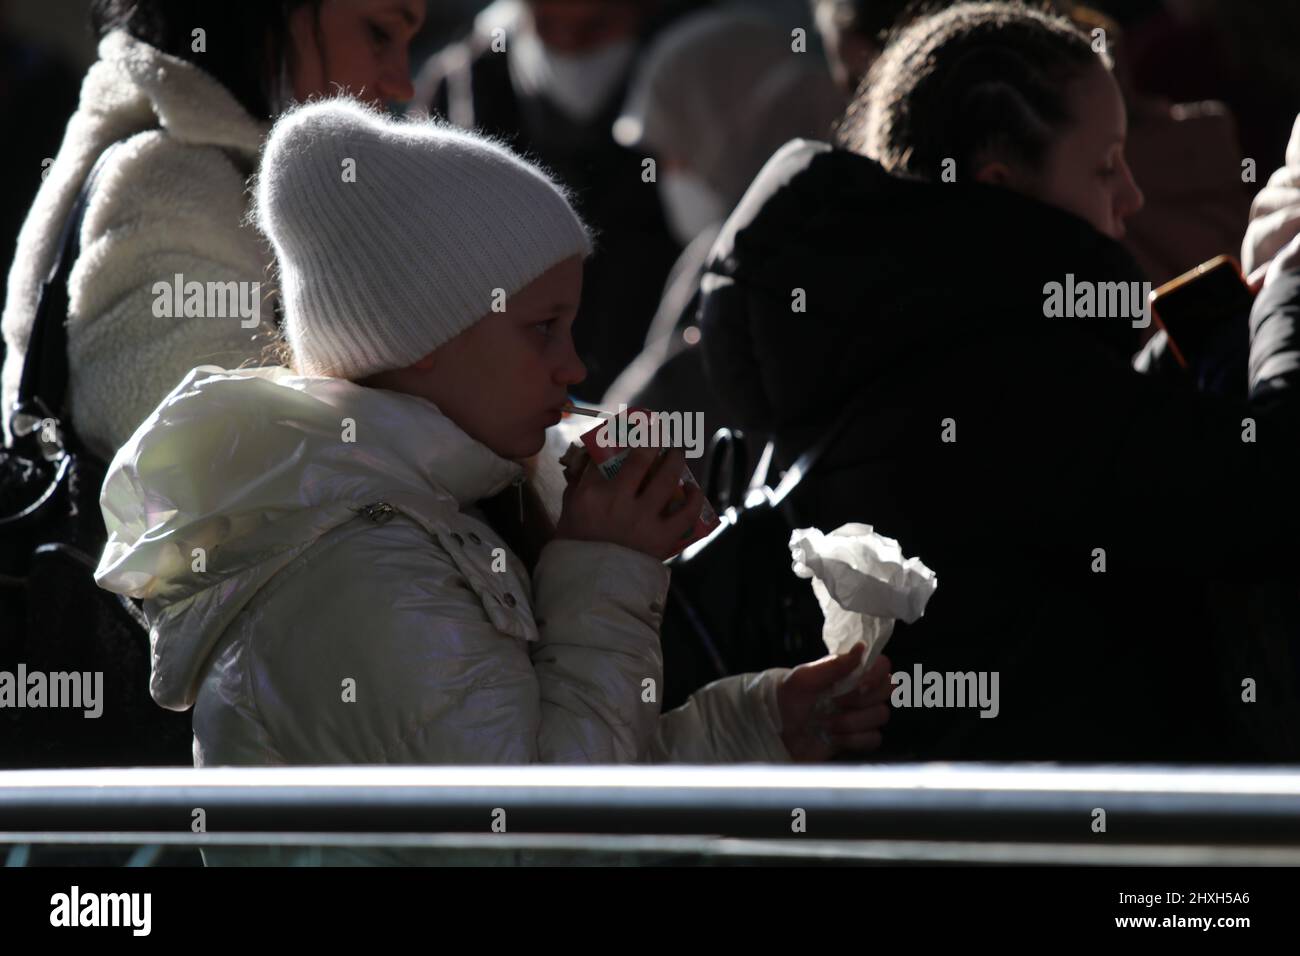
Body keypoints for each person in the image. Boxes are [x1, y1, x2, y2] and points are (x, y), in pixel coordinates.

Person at [93, 98, 894, 777]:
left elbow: (562, 758)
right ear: (421, 333)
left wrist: (754, 727)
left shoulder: (436, 508)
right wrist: (606, 568)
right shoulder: (354, 566)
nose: (572, 364)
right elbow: (546, 839)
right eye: (542, 328)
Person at [698, 1, 1300, 762]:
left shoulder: (885, 346)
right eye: (1105, 166)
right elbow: (1266, 492)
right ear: (1003, 182)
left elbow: (1118, 447)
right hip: (1064, 833)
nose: (1132, 199)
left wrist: (1231, 316)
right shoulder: (1011, 385)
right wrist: (1293, 286)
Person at [2, 0, 425, 461]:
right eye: (380, 34)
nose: (401, 82)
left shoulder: (203, 167)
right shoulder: (165, 184)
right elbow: (226, 480)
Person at [411, 0, 686, 399]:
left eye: (595, 26)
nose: (569, 44)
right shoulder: (468, 88)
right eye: (548, 23)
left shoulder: (693, 79)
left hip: (657, 398)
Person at [602, 7, 843, 449]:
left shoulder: (732, 266)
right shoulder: (866, 231)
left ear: (726, 130)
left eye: (676, 153)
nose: (667, 175)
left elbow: (627, 441)